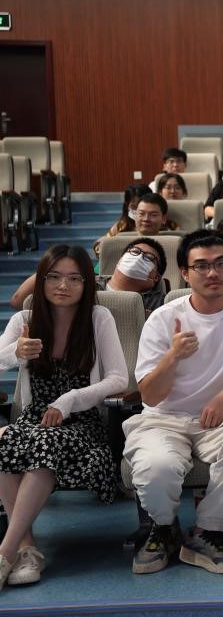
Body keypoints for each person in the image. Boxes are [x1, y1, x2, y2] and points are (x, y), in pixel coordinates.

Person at [125, 230, 223, 575]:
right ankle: (164, 528)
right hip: (163, 418)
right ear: (185, 273)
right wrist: (173, 357)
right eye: (201, 266)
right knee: (156, 466)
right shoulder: (163, 319)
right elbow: (150, 395)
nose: (213, 273)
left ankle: (208, 531)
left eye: (220, 263)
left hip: (221, 416)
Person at [0, 246, 128, 589]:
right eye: (54, 277)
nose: (63, 286)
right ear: (41, 280)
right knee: (6, 440)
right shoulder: (24, 321)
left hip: (81, 423)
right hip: (33, 420)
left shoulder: (99, 318)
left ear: (87, 284)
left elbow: (119, 378)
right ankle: (26, 549)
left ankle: (5, 552)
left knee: (43, 443)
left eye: (74, 279)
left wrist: (70, 399)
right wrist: (15, 353)